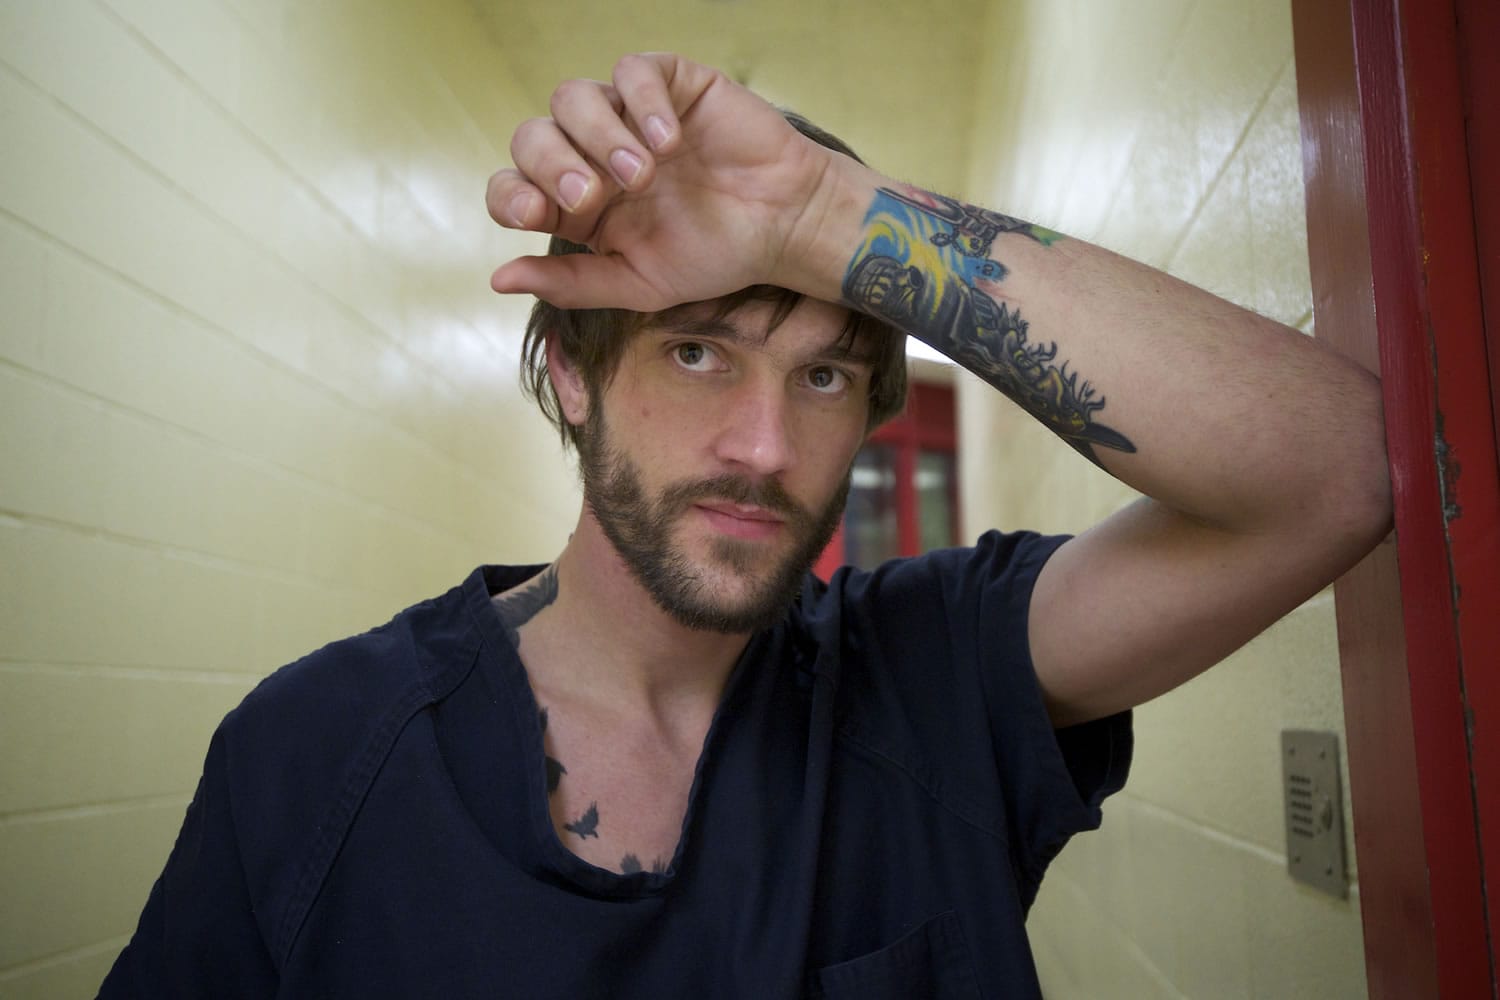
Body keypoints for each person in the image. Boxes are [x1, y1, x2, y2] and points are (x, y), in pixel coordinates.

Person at [100, 54, 1391, 998]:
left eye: (825, 375)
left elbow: (1342, 470)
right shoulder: (317, 755)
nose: (766, 449)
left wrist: (829, 215)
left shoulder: (932, 677)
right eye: (700, 354)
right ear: (571, 371)